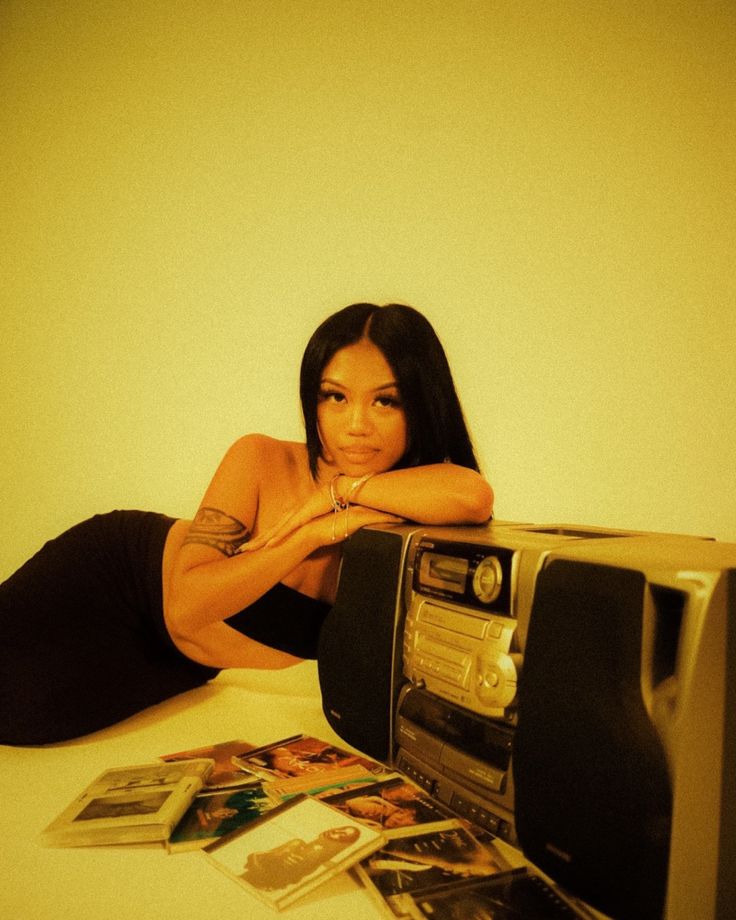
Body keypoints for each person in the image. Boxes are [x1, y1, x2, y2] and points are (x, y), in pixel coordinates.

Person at [0, 303, 493, 745]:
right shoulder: (260, 459)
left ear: (423, 404)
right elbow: (188, 603)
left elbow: (474, 495)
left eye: (386, 400)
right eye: (334, 397)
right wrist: (310, 534)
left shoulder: (410, 504)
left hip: (178, 663)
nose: (356, 424)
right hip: (113, 581)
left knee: (29, 723)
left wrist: (339, 493)